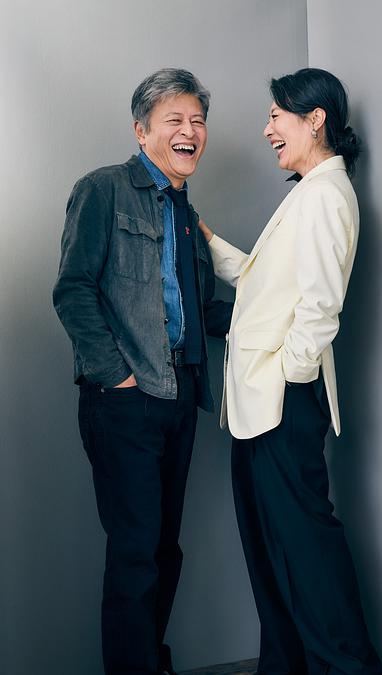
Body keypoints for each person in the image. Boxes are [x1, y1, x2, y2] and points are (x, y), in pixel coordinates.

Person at [198, 68, 382, 674]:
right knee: (271, 546)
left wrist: (288, 376)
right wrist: (206, 240)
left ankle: (346, 666)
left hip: (282, 403)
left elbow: (321, 305)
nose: (267, 129)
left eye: (276, 115)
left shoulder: (327, 194)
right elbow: (266, 280)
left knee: (303, 547)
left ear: (315, 119)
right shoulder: (311, 191)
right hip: (262, 405)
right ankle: (287, 665)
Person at [53, 68, 232, 675]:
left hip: (179, 397)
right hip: (125, 401)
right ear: (141, 130)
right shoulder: (103, 189)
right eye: (174, 120)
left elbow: (199, 307)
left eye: (198, 121)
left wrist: (272, 312)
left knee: (162, 550)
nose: (190, 132)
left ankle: (148, 662)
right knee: (135, 554)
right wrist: (117, 378)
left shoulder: (185, 211)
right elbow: (73, 290)